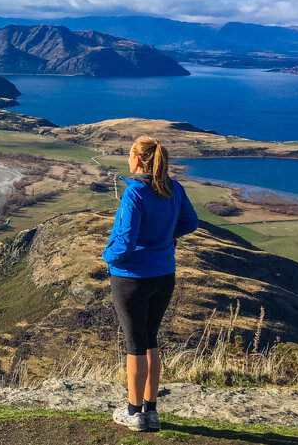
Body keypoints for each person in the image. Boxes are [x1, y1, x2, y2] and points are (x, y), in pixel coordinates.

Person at [103, 136, 198, 432]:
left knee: (134, 345)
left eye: (129, 154)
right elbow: (191, 222)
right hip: (163, 276)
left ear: (137, 160)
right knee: (151, 341)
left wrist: (108, 256)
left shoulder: (135, 194)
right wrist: (165, 239)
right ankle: (151, 410)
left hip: (132, 278)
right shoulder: (173, 189)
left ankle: (133, 412)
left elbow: (125, 241)